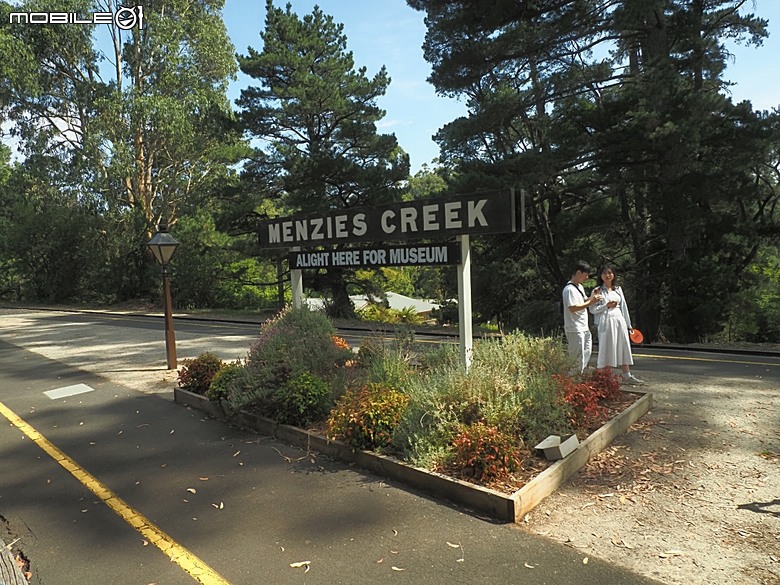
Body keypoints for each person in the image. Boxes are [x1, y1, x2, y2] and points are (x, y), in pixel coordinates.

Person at [589, 264, 645, 384]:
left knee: (623, 347)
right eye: (604, 273)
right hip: (606, 321)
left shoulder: (618, 289)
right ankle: (605, 377)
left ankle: (627, 375)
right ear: (600, 275)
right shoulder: (597, 290)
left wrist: (628, 325)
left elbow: (624, 307)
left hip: (619, 320)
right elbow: (592, 309)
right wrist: (606, 306)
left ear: (614, 275)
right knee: (607, 347)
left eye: (610, 273)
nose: (607, 275)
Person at [562, 260, 602, 373]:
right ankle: (573, 378)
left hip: (583, 326)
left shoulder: (579, 287)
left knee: (586, 353)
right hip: (574, 328)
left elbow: (584, 300)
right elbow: (573, 308)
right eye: (586, 274)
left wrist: (592, 296)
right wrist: (591, 302)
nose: (587, 277)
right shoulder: (569, 289)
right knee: (577, 358)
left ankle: (579, 376)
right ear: (578, 272)